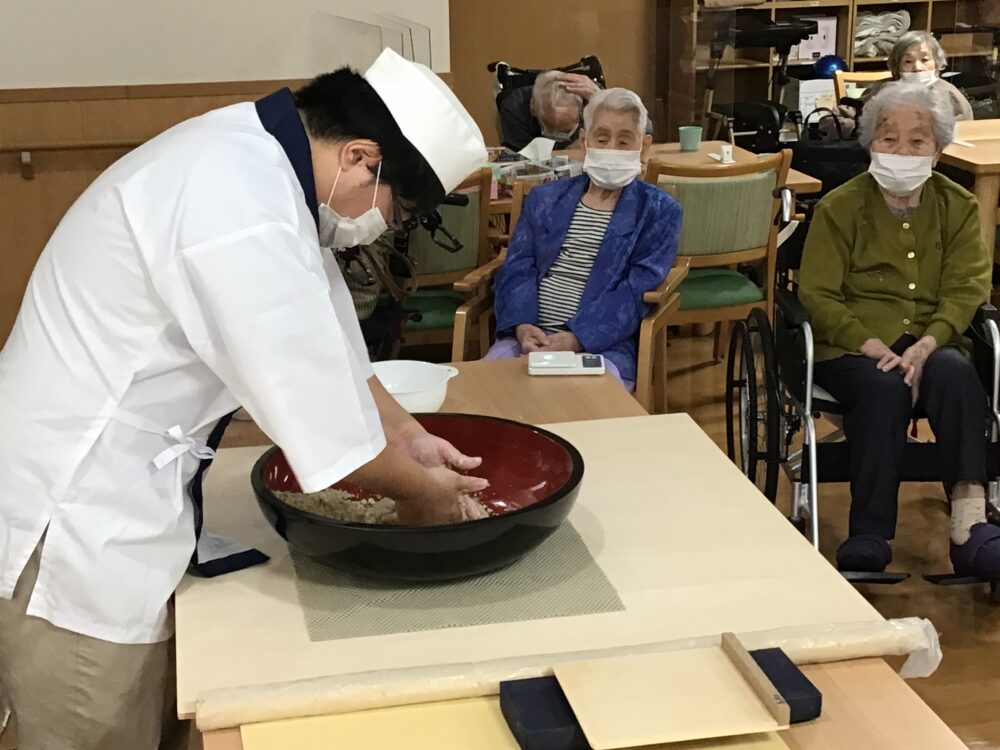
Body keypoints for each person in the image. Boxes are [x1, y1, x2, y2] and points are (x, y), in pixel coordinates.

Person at [0, 49, 488, 750]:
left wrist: (413, 440)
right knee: (96, 723)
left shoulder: (259, 163)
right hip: (75, 517)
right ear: (359, 158)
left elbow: (337, 361)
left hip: (121, 489)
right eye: (398, 208)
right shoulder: (239, 205)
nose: (386, 226)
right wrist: (424, 497)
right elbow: (326, 433)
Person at [798, 81, 996, 577]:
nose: (902, 151)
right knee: (882, 387)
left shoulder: (959, 206)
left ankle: (970, 522)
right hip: (851, 345)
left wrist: (929, 341)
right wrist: (870, 344)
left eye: (917, 141)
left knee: (954, 373)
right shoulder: (841, 207)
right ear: (869, 143)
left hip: (934, 339)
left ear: (938, 149)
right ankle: (869, 531)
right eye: (889, 139)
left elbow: (968, 285)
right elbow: (817, 293)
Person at [486, 88, 682, 391]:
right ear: (584, 142)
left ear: (643, 148)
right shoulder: (544, 199)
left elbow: (635, 291)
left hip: (602, 345)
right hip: (528, 340)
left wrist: (578, 337)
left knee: (586, 406)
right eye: (602, 139)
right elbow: (517, 267)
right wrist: (523, 326)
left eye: (624, 141)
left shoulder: (658, 211)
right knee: (490, 393)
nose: (612, 149)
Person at [865, 30, 974, 121]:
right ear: (897, 67)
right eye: (908, 61)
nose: (917, 68)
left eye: (925, 60)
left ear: (937, 64)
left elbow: (962, 133)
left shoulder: (949, 95)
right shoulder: (883, 89)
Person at [499, 70, 601, 151]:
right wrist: (569, 150)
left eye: (566, 130)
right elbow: (521, 162)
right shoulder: (514, 108)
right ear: (533, 108)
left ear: (582, 109)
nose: (558, 136)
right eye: (551, 128)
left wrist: (601, 99)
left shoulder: (595, 102)